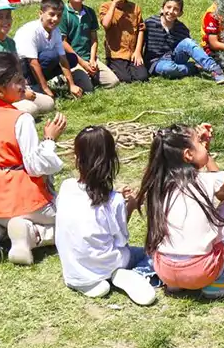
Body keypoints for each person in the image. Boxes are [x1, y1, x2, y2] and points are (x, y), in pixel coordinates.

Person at [0, 52, 67, 266]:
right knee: (70, 220)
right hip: (23, 200)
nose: (24, 83)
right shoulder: (21, 119)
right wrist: (49, 140)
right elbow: (35, 166)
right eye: (18, 80)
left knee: (5, 216)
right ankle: (31, 234)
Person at [134, 124, 224, 298]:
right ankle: (215, 282)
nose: (203, 146)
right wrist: (207, 157)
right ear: (188, 154)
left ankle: (175, 285)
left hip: (165, 271)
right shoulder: (206, 180)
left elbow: (189, 172)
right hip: (201, 273)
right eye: (199, 143)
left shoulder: (157, 185)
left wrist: (199, 151)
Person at [54, 126, 158, 305]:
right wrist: (130, 206)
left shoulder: (66, 186)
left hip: (73, 271)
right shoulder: (113, 201)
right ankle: (131, 273)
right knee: (150, 254)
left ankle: (90, 283)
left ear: (76, 159)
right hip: (106, 263)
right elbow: (121, 240)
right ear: (112, 159)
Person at [0, 0, 54, 117]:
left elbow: (17, 69)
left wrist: (23, 88)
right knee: (31, 109)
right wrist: (22, 93)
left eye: (8, 16)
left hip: (16, 88)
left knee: (49, 103)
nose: (5, 21)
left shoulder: (10, 42)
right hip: (1, 94)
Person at [143, 0, 224, 83]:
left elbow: (188, 49)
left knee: (188, 42)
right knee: (168, 68)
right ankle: (194, 67)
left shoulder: (181, 29)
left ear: (180, 13)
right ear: (162, 8)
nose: (171, 11)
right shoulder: (150, 23)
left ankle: (214, 68)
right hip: (156, 62)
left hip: (174, 57)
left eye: (176, 9)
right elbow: (140, 41)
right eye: (168, 7)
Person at [16, 0, 88, 100]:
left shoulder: (56, 31)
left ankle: (49, 81)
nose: (55, 19)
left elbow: (63, 58)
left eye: (59, 15)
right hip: (22, 68)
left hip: (41, 61)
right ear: (41, 14)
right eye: (52, 14)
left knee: (71, 58)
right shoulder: (31, 31)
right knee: (51, 55)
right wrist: (45, 89)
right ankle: (31, 84)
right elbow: (33, 63)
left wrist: (71, 85)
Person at [59, 0, 119, 90]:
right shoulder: (63, 14)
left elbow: (94, 39)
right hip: (72, 60)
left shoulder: (89, 12)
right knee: (87, 89)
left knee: (113, 82)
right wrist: (82, 63)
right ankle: (62, 77)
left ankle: (88, 75)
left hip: (89, 58)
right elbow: (63, 42)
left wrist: (92, 59)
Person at [99, 0, 149, 83]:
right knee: (125, 78)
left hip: (132, 52)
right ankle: (112, 64)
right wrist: (114, 4)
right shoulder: (106, 6)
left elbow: (141, 29)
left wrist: (138, 51)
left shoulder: (134, 7)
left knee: (142, 77)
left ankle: (132, 65)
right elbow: (106, 24)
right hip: (116, 53)